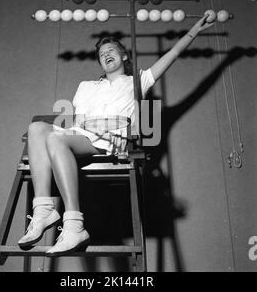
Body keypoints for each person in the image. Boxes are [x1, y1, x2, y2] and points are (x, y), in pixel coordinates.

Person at [18, 14, 214, 256]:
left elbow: (172, 56)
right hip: (81, 136)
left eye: (110, 50)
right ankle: (43, 209)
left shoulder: (137, 82)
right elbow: (79, 122)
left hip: (108, 142)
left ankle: (73, 225)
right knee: (37, 129)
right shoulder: (86, 86)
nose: (105, 55)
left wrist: (195, 30)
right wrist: (89, 126)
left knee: (55, 138)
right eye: (101, 54)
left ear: (123, 56)